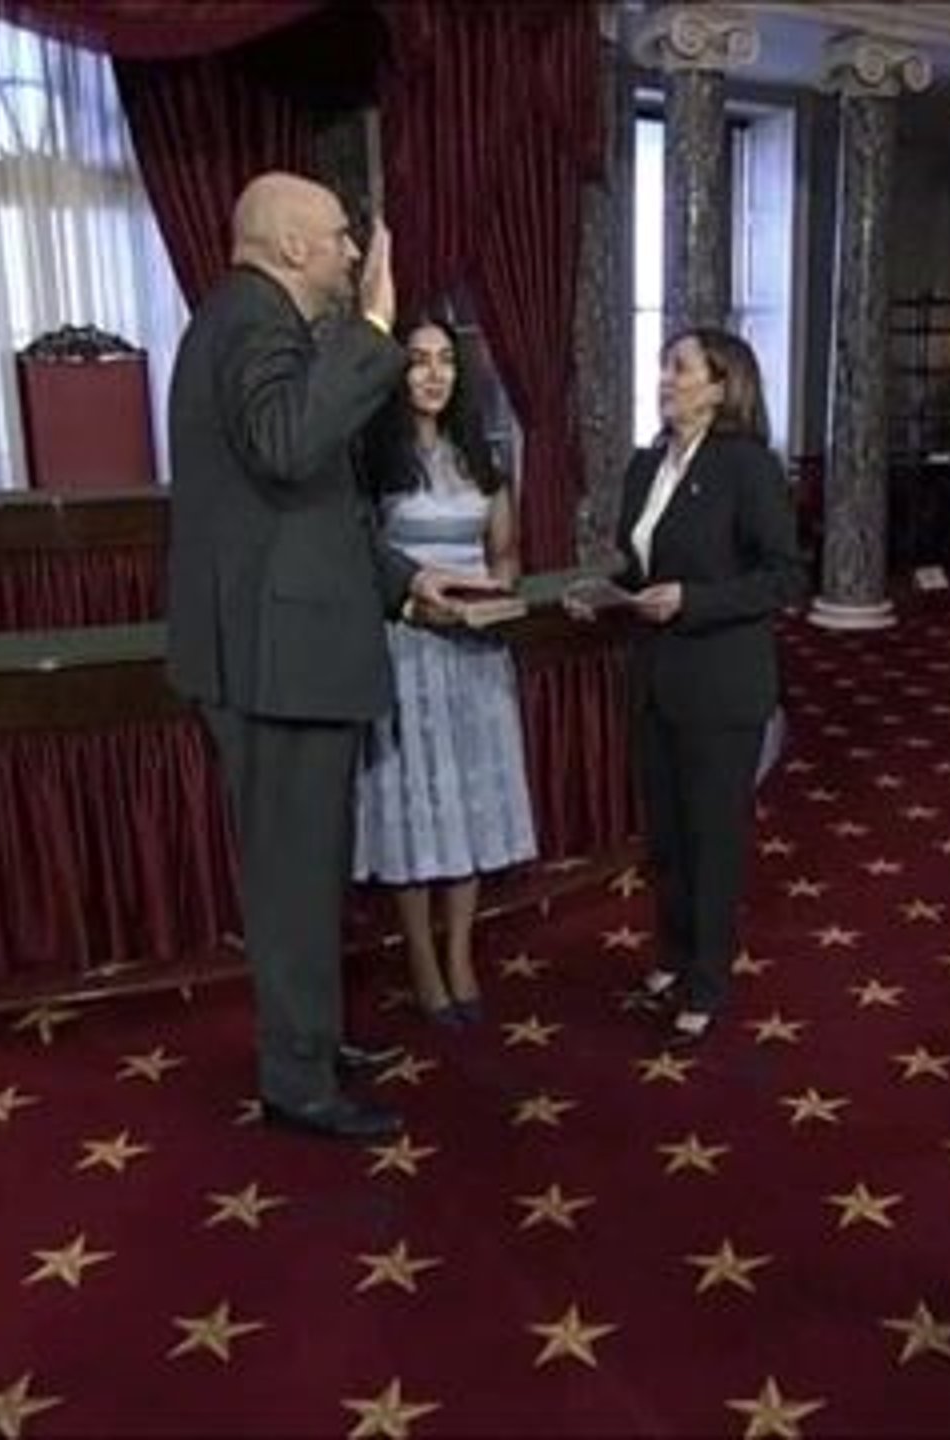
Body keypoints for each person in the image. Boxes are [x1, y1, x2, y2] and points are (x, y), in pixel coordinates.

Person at [163, 171, 485, 1142]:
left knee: (309, 874)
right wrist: (376, 329)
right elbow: (292, 446)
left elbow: (309, 512)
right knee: (293, 881)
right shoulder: (251, 320)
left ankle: (308, 1041)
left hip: (286, 648)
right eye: (343, 237)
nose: (353, 254)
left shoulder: (258, 323)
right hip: (273, 661)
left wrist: (401, 581)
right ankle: (297, 1083)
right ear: (295, 246)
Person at [572, 328, 805, 1047]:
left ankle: (707, 978)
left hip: (721, 684)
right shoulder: (646, 466)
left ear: (720, 384)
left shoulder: (747, 467)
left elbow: (786, 577)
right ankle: (672, 956)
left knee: (712, 838)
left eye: (680, 368)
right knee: (668, 836)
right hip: (654, 680)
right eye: (663, 367)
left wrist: (695, 602)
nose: (664, 379)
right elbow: (641, 568)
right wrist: (604, 593)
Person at [351, 319, 538, 1027]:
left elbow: (507, 550)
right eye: (419, 362)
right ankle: (424, 966)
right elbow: (359, 561)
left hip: (477, 656)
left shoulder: (481, 457)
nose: (434, 374)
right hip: (405, 652)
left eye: (446, 362)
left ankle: (459, 954)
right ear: (396, 375)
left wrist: (495, 589)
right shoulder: (371, 458)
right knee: (415, 809)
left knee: (467, 813)